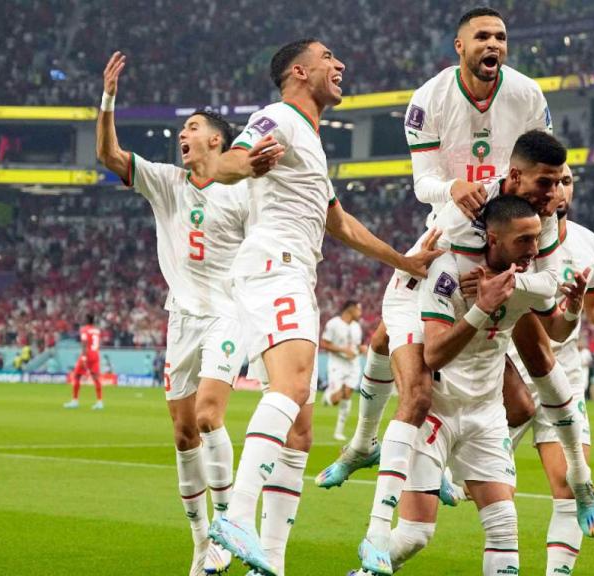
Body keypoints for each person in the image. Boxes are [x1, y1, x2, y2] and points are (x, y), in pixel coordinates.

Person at [315, 7, 572, 537]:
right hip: (452, 233)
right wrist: (453, 188)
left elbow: (545, 169)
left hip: (509, 241)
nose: (493, 44)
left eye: (501, 36)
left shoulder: (528, 96)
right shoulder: (428, 100)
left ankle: (493, 462)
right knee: (392, 337)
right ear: (460, 46)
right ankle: (366, 444)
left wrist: (537, 242)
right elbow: (423, 181)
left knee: (529, 374)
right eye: (482, 36)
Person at [204, 39, 441, 576]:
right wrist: (238, 164)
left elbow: (341, 224)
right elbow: (231, 164)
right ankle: (236, 516)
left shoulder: (310, 138)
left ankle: (272, 561)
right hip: (275, 267)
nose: (340, 66)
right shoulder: (279, 118)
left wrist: (404, 261)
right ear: (298, 71)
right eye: (328, 58)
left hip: (292, 273)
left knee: (302, 430)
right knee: (289, 389)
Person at [94, 51, 252, 576]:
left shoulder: (244, 191)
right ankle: (201, 543)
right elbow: (110, 154)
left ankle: (229, 527)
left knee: (209, 415)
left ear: (216, 141)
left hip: (229, 314)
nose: (181, 134)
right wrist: (108, 97)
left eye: (192, 127)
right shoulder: (166, 181)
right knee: (183, 433)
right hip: (180, 319)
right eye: (182, 129)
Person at [351, 195, 565, 576]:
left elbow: (556, 318)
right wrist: (482, 308)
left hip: (486, 414)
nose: (534, 249)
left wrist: (576, 308)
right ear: (493, 239)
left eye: (536, 239)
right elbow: (432, 354)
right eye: (523, 241)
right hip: (438, 412)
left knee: (504, 529)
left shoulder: (529, 281)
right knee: (417, 535)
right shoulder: (447, 269)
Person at [507, 164, 594, 576]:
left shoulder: (586, 241)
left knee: (567, 487)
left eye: (567, 182)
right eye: (552, 181)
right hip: (510, 374)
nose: (560, 190)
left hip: (566, 371)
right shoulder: (513, 235)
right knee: (473, 486)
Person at [321, 300, 365, 441]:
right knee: (336, 399)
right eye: (358, 309)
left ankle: (338, 431)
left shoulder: (357, 327)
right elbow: (324, 343)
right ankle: (327, 397)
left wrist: (361, 349)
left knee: (347, 396)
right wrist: (342, 350)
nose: (360, 313)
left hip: (353, 365)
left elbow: (357, 346)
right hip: (337, 364)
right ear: (350, 309)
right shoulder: (333, 324)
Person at [65, 314, 103, 410]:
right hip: (96, 354)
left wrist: (84, 358)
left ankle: (75, 401)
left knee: (77, 376)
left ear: (86, 320)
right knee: (96, 378)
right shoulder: (97, 330)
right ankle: (99, 402)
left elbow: (84, 344)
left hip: (87, 355)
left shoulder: (84, 329)